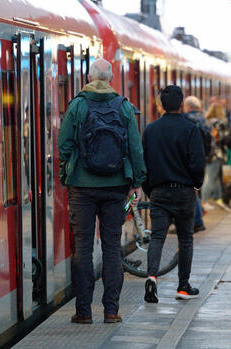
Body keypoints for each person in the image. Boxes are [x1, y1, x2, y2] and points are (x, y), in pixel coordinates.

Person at [58, 58, 146, 324]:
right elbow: (135, 148)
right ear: (110, 78)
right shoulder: (124, 107)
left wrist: (70, 172)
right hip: (116, 186)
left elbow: (64, 145)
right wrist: (137, 183)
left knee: (83, 249)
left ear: (88, 77)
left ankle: (83, 312)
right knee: (111, 248)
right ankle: (111, 310)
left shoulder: (78, 105)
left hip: (82, 188)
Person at [142, 85, 205, 303]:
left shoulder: (150, 130)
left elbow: (144, 164)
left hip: (159, 192)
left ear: (160, 105)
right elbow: (198, 163)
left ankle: (151, 277)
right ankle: (183, 286)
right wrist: (196, 184)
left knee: (157, 237)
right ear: (181, 104)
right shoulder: (190, 129)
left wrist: (149, 189)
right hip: (184, 192)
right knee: (185, 238)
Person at [183, 96, 210, 231]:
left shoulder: (187, 120)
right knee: (195, 190)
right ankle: (197, 219)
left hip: (190, 158)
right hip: (202, 157)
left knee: (192, 192)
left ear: (187, 106)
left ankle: (197, 220)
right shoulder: (204, 119)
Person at [201, 103, 231, 212]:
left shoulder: (207, 122)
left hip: (208, 153)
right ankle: (204, 201)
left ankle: (219, 198)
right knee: (210, 178)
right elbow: (223, 138)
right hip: (216, 153)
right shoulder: (219, 123)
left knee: (216, 177)